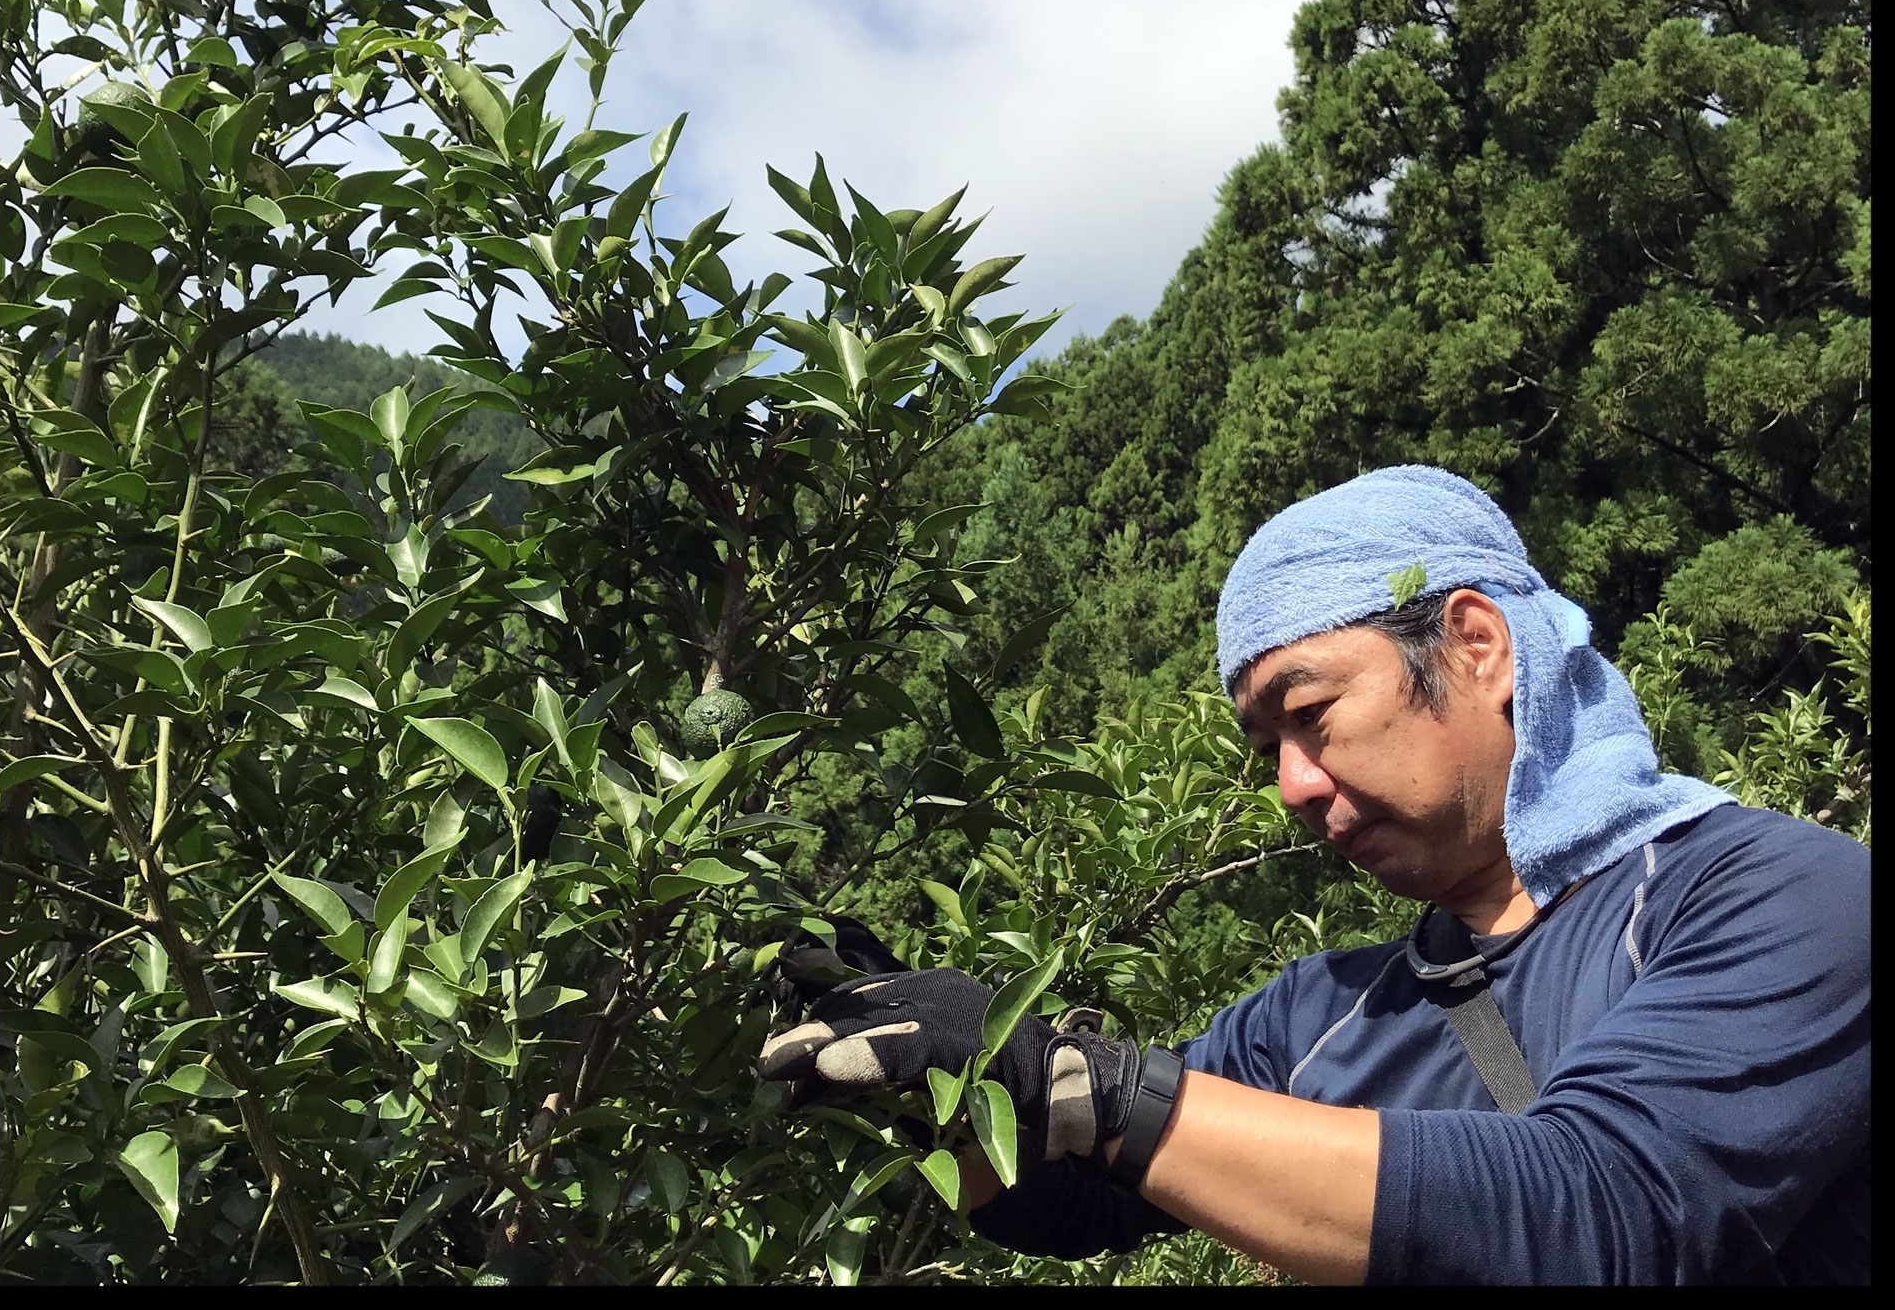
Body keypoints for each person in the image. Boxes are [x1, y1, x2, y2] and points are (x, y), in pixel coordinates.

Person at [757, 466, 1870, 1284]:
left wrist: (1089, 1084)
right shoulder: (1320, 1013)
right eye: (1266, 749)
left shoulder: (1780, 894)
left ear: (1476, 644)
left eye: (1311, 713)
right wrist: (944, 1076)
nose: (1291, 782)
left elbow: (1606, 1213)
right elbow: (1081, 1190)